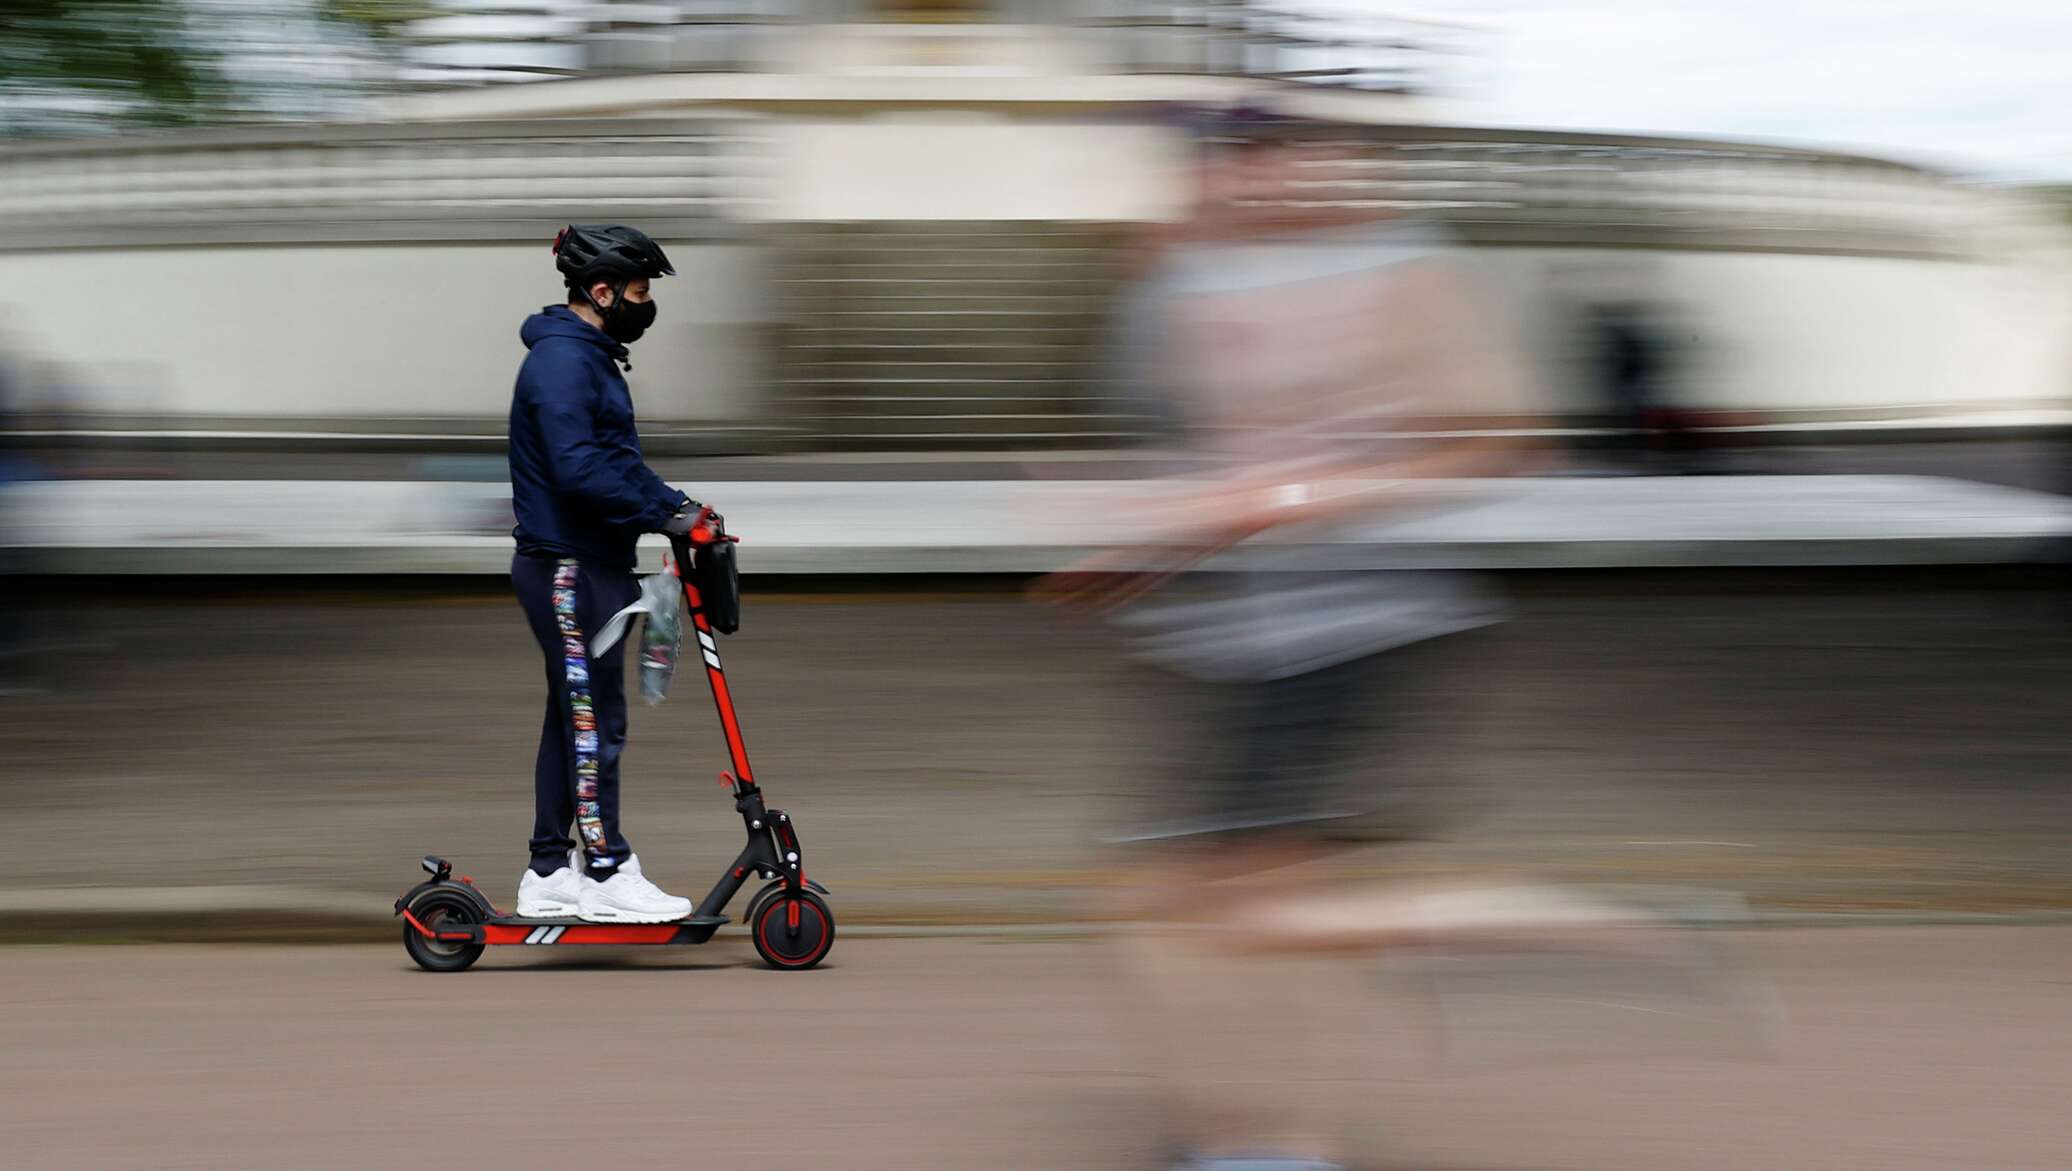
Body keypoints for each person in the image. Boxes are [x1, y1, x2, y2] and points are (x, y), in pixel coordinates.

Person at [507, 223, 708, 923]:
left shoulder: (587, 358)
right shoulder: (565, 364)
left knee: (574, 719)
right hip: (570, 571)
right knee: (595, 723)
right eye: (639, 289)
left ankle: (546, 870)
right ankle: (603, 869)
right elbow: (579, 469)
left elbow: (615, 462)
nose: (645, 302)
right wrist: (666, 512)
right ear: (602, 290)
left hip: (588, 564)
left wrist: (676, 506)